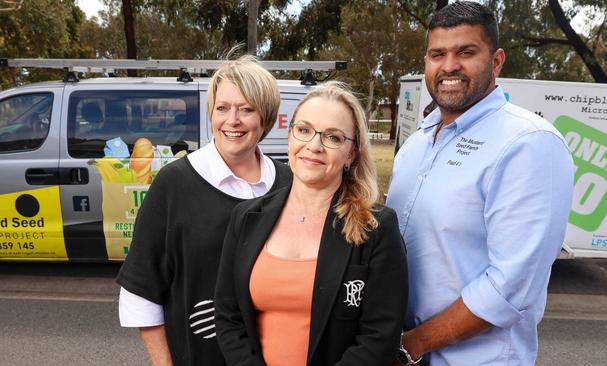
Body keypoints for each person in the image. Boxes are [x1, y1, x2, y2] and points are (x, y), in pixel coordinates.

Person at [386, 2, 574, 365]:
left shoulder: (527, 143)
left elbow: (510, 288)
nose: (449, 66)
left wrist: (411, 344)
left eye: (466, 52)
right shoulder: (417, 143)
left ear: (497, 60)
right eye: (437, 54)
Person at [214, 81, 408, 366]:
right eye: (304, 130)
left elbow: (380, 336)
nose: (313, 146)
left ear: (351, 153)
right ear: (290, 137)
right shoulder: (246, 219)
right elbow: (228, 317)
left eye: (333, 137)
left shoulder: (376, 227)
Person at [116, 55, 293, 365]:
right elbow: (141, 289)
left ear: (266, 117)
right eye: (222, 108)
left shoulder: (289, 184)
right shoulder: (175, 183)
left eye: (246, 109)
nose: (232, 120)